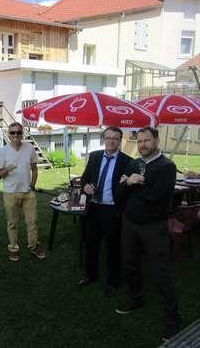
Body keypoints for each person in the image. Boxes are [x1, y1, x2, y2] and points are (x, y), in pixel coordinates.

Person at [114, 127, 179, 341]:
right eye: (139, 141)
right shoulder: (134, 163)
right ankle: (136, 298)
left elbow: (157, 197)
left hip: (153, 227)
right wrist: (127, 184)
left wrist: (131, 184)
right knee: (130, 264)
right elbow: (119, 192)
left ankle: (172, 320)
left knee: (161, 272)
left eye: (147, 140)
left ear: (156, 140)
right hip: (130, 223)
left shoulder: (167, 166)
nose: (142, 145)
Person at [79, 127, 132, 296]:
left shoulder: (128, 162)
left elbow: (128, 190)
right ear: (104, 139)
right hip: (94, 207)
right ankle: (91, 275)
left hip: (112, 210)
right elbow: (85, 178)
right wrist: (85, 186)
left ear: (120, 141)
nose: (111, 141)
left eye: (115, 138)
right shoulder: (94, 156)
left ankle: (113, 282)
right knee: (91, 243)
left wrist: (126, 185)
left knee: (113, 247)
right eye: (108, 138)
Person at [0, 122, 47, 262]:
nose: (15, 135)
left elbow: (34, 169)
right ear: (8, 134)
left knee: (32, 221)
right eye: (12, 132)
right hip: (10, 193)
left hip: (27, 193)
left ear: (22, 133)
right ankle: (13, 248)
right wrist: (8, 169)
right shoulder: (3, 151)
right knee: (12, 223)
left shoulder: (29, 147)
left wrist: (33, 184)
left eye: (18, 132)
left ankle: (33, 246)